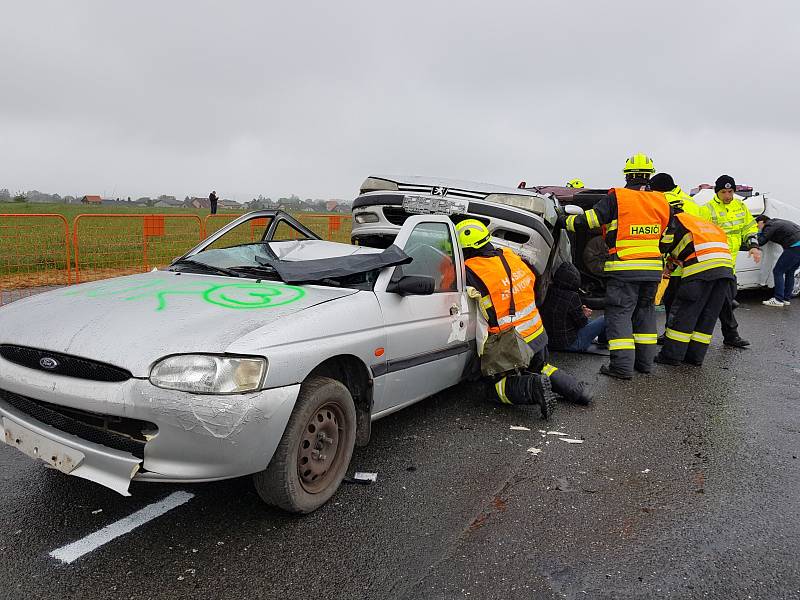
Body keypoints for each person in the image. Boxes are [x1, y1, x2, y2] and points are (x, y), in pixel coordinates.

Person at [457, 219, 592, 414]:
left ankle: (533, 388)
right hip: (537, 334)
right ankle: (578, 391)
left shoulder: (470, 269)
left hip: (511, 342)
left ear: (467, 249)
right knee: (541, 367)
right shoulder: (510, 256)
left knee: (494, 389)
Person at [563, 153, 669, 379]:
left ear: (627, 174)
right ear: (649, 174)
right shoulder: (661, 200)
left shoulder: (618, 197)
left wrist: (565, 221)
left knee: (619, 315)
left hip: (625, 269)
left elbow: (589, 220)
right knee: (645, 315)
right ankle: (644, 364)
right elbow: (667, 238)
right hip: (652, 271)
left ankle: (621, 367)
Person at [654, 208, 734, 366]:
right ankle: (694, 357)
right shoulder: (700, 223)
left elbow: (664, 245)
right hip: (725, 271)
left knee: (685, 312)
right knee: (707, 315)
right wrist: (669, 268)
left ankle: (671, 356)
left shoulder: (674, 221)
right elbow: (682, 249)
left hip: (700, 269)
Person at [649, 173, 710, 339]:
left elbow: (667, 234)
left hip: (677, 259)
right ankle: (687, 334)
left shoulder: (665, 200)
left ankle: (672, 335)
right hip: (698, 259)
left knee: (673, 300)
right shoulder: (692, 202)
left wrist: (667, 263)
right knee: (690, 301)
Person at [705, 175, 762, 347]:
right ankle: (731, 335)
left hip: (731, 264)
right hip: (714, 261)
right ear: (717, 192)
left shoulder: (740, 206)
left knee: (725, 300)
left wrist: (753, 245)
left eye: (730, 191)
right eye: (724, 192)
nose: (728, 195)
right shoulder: (707, 209)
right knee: (723, 300)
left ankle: (728, 334)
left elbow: (749, 227)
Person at [540, 262, 606, 352]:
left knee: (592, 322)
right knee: (604, 319)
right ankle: (603, 341)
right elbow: (581, 323)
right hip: (571, 344)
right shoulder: (572, 297)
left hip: (550, 343)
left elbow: (562, 314)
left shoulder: (548, 292)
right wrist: (584, 314)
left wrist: (578, 310)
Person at [756, 215, 800, 306]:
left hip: (794, 246)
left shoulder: (769, 226)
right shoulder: (776, 222)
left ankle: (778, 299)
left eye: (757, 224)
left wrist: (758, 234)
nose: (757, 226)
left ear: (762, 221)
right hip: (797, 245)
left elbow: (761, 241)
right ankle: (786, 299)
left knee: (778, 271)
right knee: (790, 271)